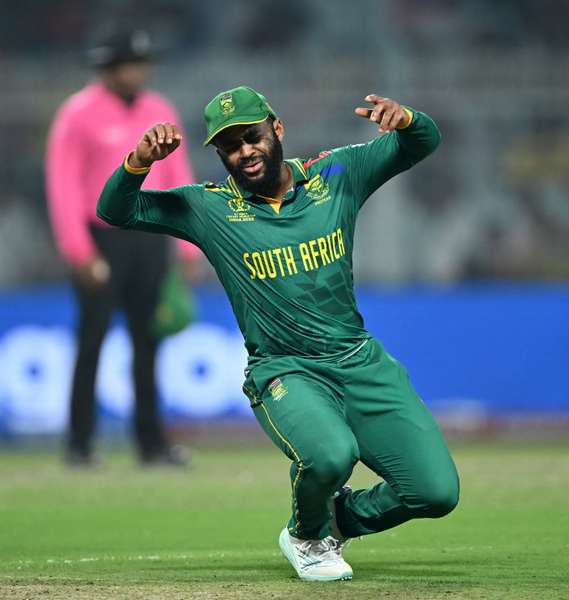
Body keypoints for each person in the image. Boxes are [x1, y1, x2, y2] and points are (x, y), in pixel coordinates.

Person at [95, 86, 459, 581]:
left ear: (277, 129)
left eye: (252, 137)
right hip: (286, 370)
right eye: (229, 146)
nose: (244, 152)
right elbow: (116, 211)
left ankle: (341, 518)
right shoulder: (209, 208)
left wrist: (408, 118)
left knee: (435, 492)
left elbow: (422, 143)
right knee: (331, 455)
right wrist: (138, 162)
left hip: (358, 360)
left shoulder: (337, 173)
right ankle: (306, 535)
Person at [46, 28, 200, 467]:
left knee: (148, 340)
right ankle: (80, 444)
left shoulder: (159, 109)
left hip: (149, 234)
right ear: (109, 69)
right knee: (91, 339)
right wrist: (79, 251)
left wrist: (187, 245)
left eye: (142, 63)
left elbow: (178, 178)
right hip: (101, 238)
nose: (138, 71)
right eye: (130, 64)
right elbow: (63, 186)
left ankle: (151, 444)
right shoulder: (78, 113)